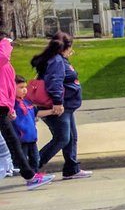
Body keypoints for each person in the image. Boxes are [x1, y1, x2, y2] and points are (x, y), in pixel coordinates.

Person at [31, 33, 91, 180]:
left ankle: (72, 169)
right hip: (59, 107)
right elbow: (54, 81)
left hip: (67, 107)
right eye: (71, 48)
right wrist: (58, 102)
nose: (72, 51)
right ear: (66, 47)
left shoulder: (57, 59)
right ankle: (31, 168)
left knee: (71, 137)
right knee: (62, 138)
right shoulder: (56, 61)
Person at [0, 37, 51, 190]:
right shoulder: (2, 56)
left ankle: (30, 175)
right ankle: (30, 176)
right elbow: (3, 57)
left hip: (3, 105)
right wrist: (5, 42)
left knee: (11, 143)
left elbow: (7, 86)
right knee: (12, 142)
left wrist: (9, 107)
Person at [11, 77, 41, 172]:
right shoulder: (11, 104)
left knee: (35, 160)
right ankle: (31, 177)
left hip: (31, 137)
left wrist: (53, 111)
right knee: (22, 161)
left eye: (25, 87)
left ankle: (35, 176)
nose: (24, 90)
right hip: (21, 138)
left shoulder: (27, 102)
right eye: (21, 87)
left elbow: (36, 113)